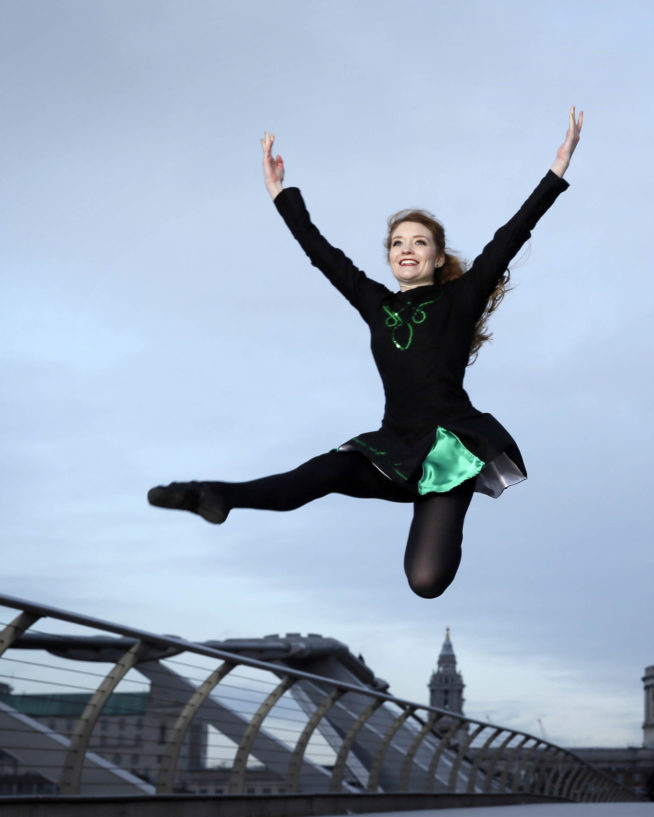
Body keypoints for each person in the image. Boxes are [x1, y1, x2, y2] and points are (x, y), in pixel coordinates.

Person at [148, 109, 584, 599]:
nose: (407, 249)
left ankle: (447, 514)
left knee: (426, 581)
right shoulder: (377, 304)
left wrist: (556, 170)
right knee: (318, 474)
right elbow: (322, 254)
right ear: (390, 256)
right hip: (390, 448)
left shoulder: (459, 299)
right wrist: (280, 194)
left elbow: (510, 237)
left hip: (447, 453)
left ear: (437, 258)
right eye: (398, 242)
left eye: (420, 242)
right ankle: (212, 494)